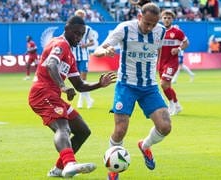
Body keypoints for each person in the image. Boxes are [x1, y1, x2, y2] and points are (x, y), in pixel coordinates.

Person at [28, 16, 116, 178]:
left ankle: (58, 169)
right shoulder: (60, 44)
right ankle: (70, 164)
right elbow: (51, 64)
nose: (78, 37)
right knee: (63, 128)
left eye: (81, 34)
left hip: (52, 95)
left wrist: (99, 84)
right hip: (42, 93)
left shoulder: (70, 55)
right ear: (66, 29)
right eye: (75, 33)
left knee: (83, 131)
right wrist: (62, 86)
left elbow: (79, 85)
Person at [93, 2, 172, 180]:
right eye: (146, 23)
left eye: (153, 24)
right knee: (120, 129)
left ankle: (145, 145)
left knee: (165, 126)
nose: (150, 28)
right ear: (139, 17)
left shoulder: (160, 31)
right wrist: (105, 51)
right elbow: (98, 50)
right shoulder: (124, 29)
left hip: (149, 87)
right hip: (126, 85)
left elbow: (156, 52)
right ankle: (113, 168)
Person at [158, 10, 189, 116]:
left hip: (172, 62)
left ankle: (171, 105)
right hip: (160, 62)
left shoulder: (177, 32)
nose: (166, 20)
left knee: (163, 84)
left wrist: (179, 49)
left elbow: (186, 42)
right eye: (165, 18)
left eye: (169, 18)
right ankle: (177, 105)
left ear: (172, 19)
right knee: (167, 86)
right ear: (161, 19)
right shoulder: (157, 31)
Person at [72, 9, 95, 109]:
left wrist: (85, 45)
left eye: (81, 16)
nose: (80, 18)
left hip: (84, 56)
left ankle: (81, 101)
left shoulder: (88, 29)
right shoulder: (70, 28)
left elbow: (92, 42)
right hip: (73, 56)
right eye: (78, 16)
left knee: (83, 79)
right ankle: (89, 99)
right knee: (77, 80)